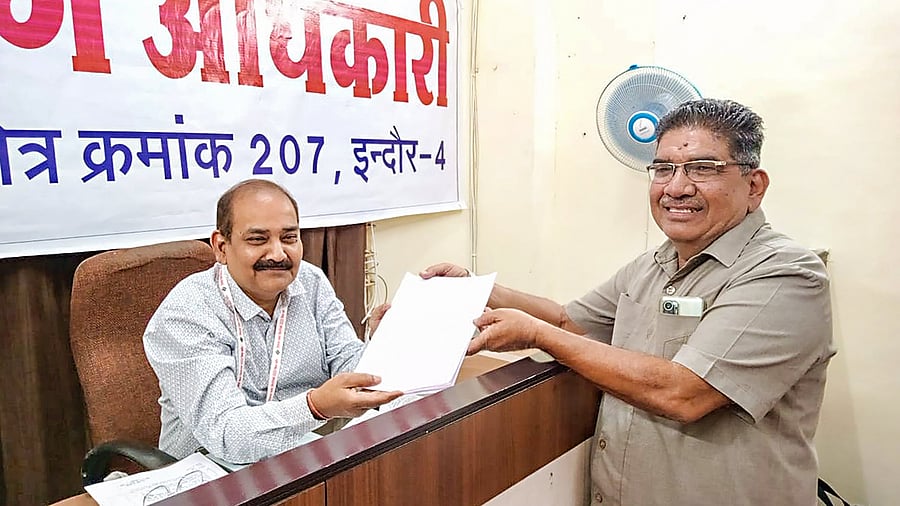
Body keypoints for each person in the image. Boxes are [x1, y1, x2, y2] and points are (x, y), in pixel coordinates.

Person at [422, 99, 834, 505]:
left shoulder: (785, 273)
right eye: (663, 169)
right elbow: (570, 322)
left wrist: (537, 334)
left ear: (754, 186)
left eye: (702, 169)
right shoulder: (655, 263)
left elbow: (685, 393)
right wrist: (481, 293)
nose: (677, 187)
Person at [143, 179, 402, 464]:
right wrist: (316, 407)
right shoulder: (187, 313)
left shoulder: (311, 283)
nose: (278, 254)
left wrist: (381, 346)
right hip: (210, 472)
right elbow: (228, 435)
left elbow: (347, 364)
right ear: (221, 246)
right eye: (258, 239)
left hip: (303, 458)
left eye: (289, 238)